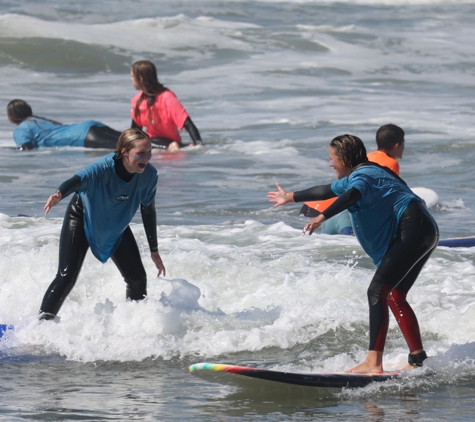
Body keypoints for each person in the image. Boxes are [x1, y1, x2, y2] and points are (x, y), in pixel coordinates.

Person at [267, 134, 439, 374]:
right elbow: (326, 190)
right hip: (425, 229)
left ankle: (373, 362)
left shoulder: (361, 178)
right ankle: (417, 358)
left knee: (377, 291)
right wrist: (291, 196)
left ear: (345, 158)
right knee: (395, 295)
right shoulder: (366, 172)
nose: (330, 164)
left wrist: (322, 216)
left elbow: (350, 196)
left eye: (332, 159)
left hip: (413, 227)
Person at [39, 128, 166, 320]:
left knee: (137, 278)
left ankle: (134, 325)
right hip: (83, 215)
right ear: (124, 152)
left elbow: (148, 210)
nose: (146, 158)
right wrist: (59, 194)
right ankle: (40, 326)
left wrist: (154, 249)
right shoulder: (103, 168)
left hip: (116, 221)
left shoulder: (149, 175)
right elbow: (76, 181)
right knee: (66, 276)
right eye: (140, 154)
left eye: (149, 153)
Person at [130, 60, 203, 151]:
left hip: (170, 146)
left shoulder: (167, 98)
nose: (131, 79)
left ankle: (174, 146)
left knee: (142, 142)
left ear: (140, 79)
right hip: (155, 147)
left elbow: (188, 123)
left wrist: (198, 145)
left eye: (132, 76)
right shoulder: (138, 100)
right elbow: (135, 131)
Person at [7, 99, 122, 150]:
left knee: (130, 148)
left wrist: (8, 151)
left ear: (10, 118)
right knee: (136, 140)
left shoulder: (21, 130)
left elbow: (27, 148)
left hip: (82, 136)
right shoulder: (40, 120)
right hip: (90, 126)